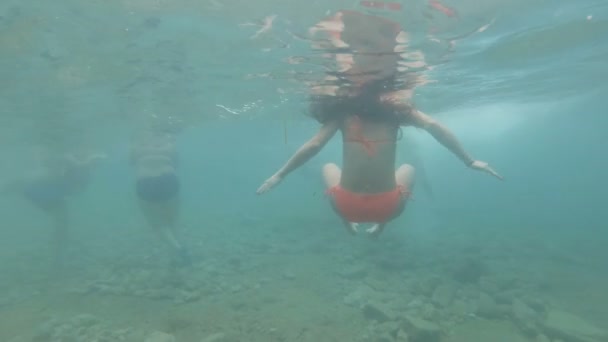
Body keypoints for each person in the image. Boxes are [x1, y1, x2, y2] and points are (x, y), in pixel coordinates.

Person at [257, 9, 502, 237]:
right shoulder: (396, 112)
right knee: (409, 170)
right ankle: (380, 225)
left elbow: (313, 146)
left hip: (345, 206)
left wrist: (279, 175)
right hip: (389, 208)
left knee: (327, 167)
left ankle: (348, 223)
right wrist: (470, 161)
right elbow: (436, 128)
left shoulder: (342, 114)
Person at [1, 151, 106, 267]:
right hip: (38, 186)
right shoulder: (74, 164)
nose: (95, 166)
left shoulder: (85, 175)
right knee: (20, 184)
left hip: (46, 193)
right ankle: (58, 259)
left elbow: (75, 190)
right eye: (94, 163)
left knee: (62, 223)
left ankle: (58, 259)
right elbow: (63, 161)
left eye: (96, 164)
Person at [130, 131, 191, 265]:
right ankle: (177, 252)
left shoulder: (137, 143)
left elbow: (132, 161)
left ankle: (177, 249)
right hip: (168, 178)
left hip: (145, 181)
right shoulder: (169, 142)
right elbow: (176, 162)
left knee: (157, 223)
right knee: (173, 220)